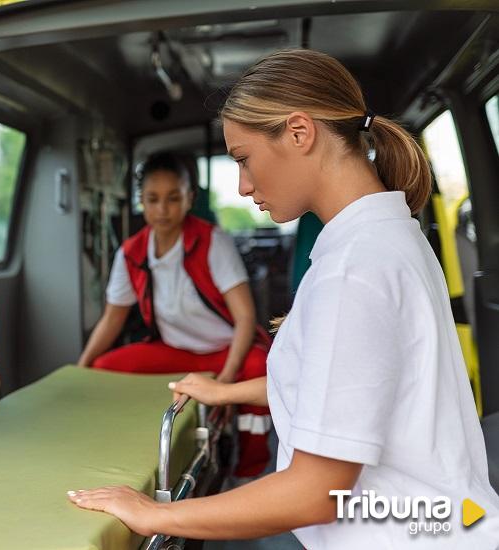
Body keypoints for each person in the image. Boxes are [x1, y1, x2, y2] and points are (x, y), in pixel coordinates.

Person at [68, 49, 499, 548]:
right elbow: (346, 385)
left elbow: (313, 494)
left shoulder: (353, 270)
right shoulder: (387, 235)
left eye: (243, 159)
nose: (243, 185)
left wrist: (156, 514)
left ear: (300, 132)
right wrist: (228, 393)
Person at [77, 151, 271, 477]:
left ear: (189, 198)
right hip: (174, 352)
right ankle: (126, 443)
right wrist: (81, 368)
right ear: (141, 201)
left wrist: (224, 383)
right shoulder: (131, 252)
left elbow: (245, 318)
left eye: (173, 198)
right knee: (103, 368)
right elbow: (112, 319)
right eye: (152, 199)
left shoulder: (212, 242)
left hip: (224, 352)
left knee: (258, 367)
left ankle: (249, 469)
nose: (162, 209)